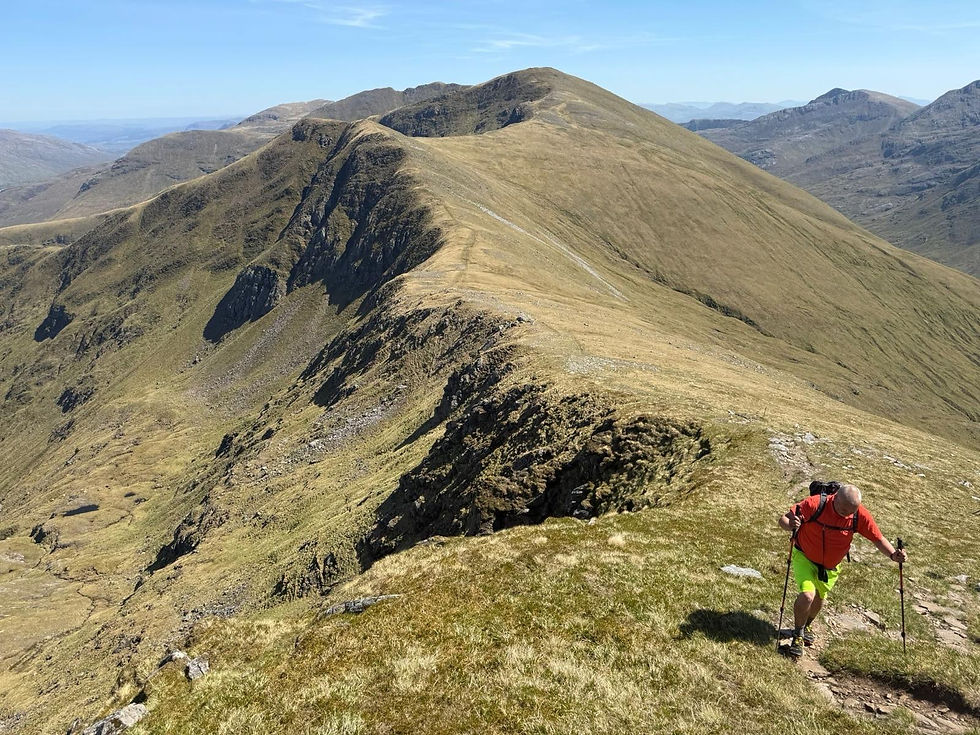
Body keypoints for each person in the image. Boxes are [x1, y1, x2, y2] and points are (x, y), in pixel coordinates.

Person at [778, 483, 907, 658]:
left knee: (819, 598)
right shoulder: (815, 503)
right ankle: (798, 634)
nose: (847, 514)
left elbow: (877, 538)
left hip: (830, 567)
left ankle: (807, 625)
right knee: (808, 595)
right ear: (835, 497)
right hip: (804, 557)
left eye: (851, 511)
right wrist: (790, 525)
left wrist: (893, 555)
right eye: (844, 510)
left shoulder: (859, 514)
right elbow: (784, 520)